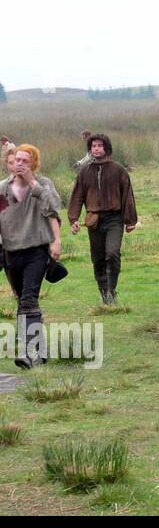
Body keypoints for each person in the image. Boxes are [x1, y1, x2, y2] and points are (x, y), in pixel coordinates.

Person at [0, 145, 62, 368]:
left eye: (26, 161)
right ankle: (41, 349)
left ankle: (27, 353)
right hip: (11, 253)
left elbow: (54, 207)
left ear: (34, 164)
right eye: (17, 160)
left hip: (36, 252)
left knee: (28, 299)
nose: (20, 164)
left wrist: (33, 183)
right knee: (23, 302)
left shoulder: (43, 186)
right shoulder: (3, 189)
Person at [67, 134, 138, 305]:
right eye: (93, 146)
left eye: (100, 145)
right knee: (97, 258)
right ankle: (104, 294)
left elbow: (127, 195)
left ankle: (112, 291)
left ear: (106, 148)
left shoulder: (118, 169)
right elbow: (77, 196)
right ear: (90, 149)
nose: (96, 148)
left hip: (114, 218)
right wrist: (74, 218)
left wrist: (130, 220)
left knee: (112, 253)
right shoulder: (84, 171)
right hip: (94, 219)